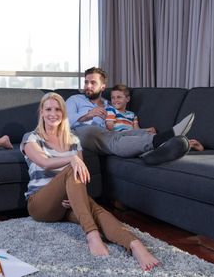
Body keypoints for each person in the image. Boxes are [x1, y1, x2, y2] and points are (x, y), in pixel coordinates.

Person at [21, 92, 159, 271]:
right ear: (41, 112)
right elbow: (45, 163)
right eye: (48, 109)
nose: (53, 113)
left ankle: (134, 244)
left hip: (66, 204)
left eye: (57, 109)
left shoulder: (73, 140)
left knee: (96, 210)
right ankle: (92, 234)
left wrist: (73, 197)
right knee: (73, 166)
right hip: (41, 204)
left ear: (63, 113)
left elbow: (80, 174)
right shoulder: (31, 138)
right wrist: (71, 159)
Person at [66, 67, 194, 165]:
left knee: (125, 135)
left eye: (93, 83)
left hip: (108, 134)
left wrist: (143, 131)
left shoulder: (110, 105)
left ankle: (163, 148)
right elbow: (66, 121)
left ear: (103, 86)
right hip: (82, 133)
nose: (88, 86)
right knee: (103, 135)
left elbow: (120, 127)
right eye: (86, 82)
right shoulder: (75, 99)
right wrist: (88, 115)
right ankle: (161, 140)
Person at [106, 84, 204, 151]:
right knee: (145, 140)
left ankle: (186, 143)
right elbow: (110, 127)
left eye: (119, 97)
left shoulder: (132, 115)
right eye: (113, 97)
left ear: (127, 99)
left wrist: (146, 130)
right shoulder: (111, 110)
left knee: (149, 135)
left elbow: (137, 130)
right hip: (120, 137)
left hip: (133, 135)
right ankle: (180, 143)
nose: (115, 100)